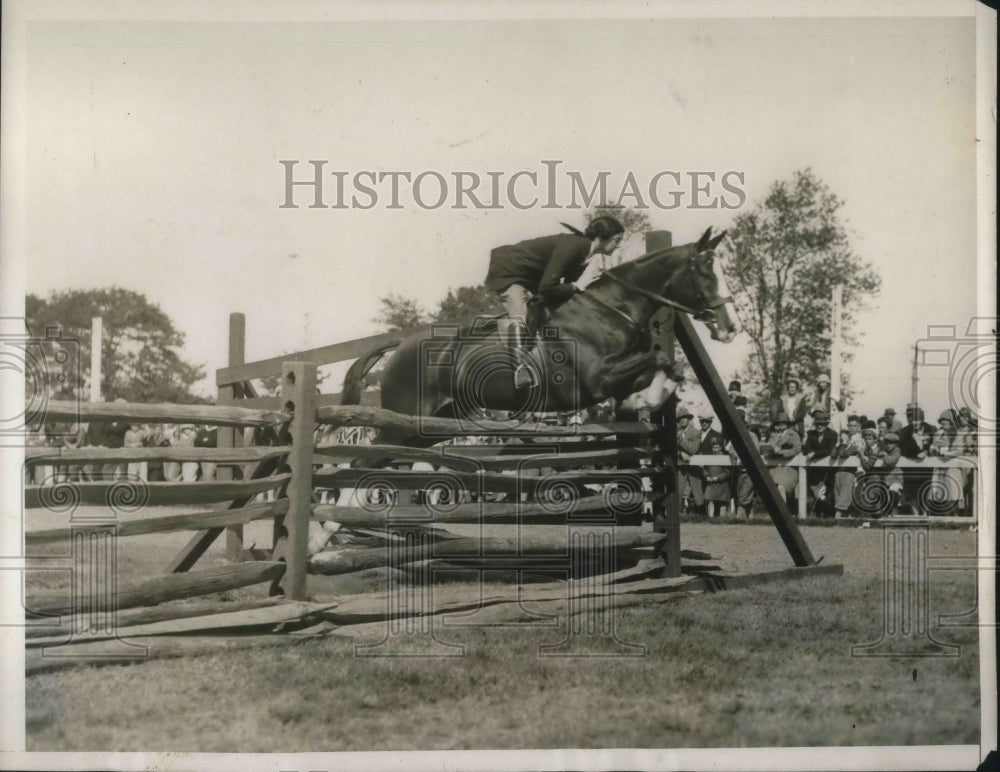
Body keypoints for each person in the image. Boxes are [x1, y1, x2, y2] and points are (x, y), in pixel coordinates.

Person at [484, 216, 625, 388]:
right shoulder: (573, 246)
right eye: (617, 240)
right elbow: (548, 288)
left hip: (531, 275)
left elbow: (566, 292)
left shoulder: (586, 253)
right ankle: (520, 369)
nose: (618, 245)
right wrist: (576, 285)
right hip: (509, 270)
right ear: (602, 238)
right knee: (521, 314)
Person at [802, 409, 838, 516]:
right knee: (817, 494)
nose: (819, 426)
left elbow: (829, 450)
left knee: (827, 494)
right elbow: (806, 450)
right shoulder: (811, 434)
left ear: (826, 424)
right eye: (817, 424)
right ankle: (817, 514)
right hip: (815, 471)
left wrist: (815, 454)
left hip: (829, 470)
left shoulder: (832, 434)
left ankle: (829, 514)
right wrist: (808, 450)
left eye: (822, 424)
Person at [759, 413, 801, 504]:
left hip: (788, 467)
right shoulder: (773, 435)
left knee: (782, 487)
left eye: (783, 423)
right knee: (773, 488)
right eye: (779, 423)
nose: (781, 425)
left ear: (787, 424)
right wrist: (769, 451)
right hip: (775, 467)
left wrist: (782, 452)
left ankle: (783, 511)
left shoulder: (793, 434)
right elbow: (769, 447)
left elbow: (797, 449)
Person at [831, 415, 865, 518]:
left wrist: (844, 443)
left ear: (859, 427)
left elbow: (843, 453)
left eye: (854, 426)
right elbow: (833, 454)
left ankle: (839, 514)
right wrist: (838, 444)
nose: (852, 428)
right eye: (850, 426)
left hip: (853, 471)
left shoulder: (860, 440)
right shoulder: (844, 438)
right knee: (837, 491)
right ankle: (843, 514)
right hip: (840, 470)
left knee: (845, 493)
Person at [676, 405, 704, 515]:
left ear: (688, 419)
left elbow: (693, 450)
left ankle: (701, 514)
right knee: (679, 490)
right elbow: (671, 448)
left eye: (684, 418)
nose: (682, 420)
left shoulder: (696, 432)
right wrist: (680, 453)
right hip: (680, 465)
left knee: (697, 490)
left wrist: (681, 439)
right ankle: (679, 514)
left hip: (694, 466)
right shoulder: (676, 432)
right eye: (680, 419)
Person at [703, 438, 731, 518]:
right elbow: (705, 468)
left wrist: (718, 478)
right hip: (711, 483)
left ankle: (722, 519)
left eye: (716, 447)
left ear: (721, 447)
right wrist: (707, 476)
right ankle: (710, 518)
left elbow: (727, 471)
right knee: (710, 501)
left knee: (723, 502)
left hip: (722, 483)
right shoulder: (709, 457)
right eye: (713, 448)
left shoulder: (725, 458)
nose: (715, 450)